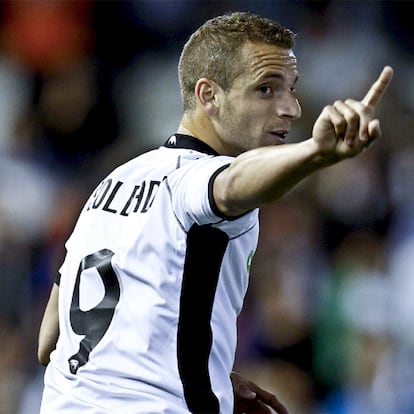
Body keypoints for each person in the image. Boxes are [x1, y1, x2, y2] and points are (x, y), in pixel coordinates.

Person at [37, 11, 393, 414]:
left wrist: (204, 372)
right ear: (209, 95)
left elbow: (50, 341)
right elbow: (231, 183)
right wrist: (315, 152)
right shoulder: (199, 180)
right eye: (266, 90)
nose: (291, 108)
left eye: (291, 89)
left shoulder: (110, 184)